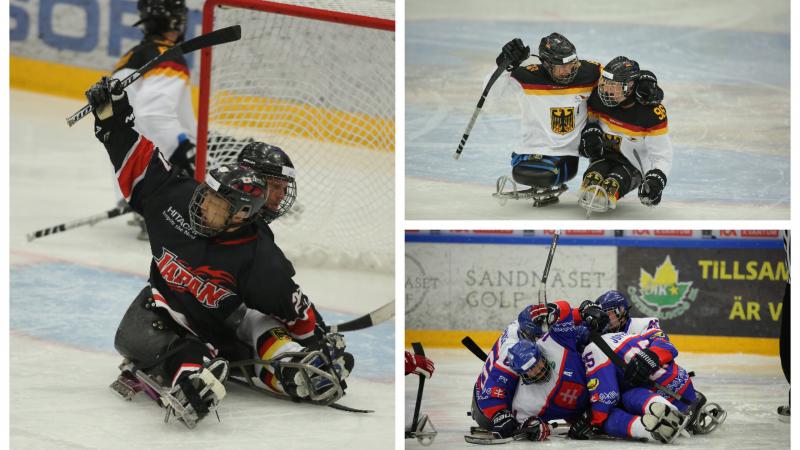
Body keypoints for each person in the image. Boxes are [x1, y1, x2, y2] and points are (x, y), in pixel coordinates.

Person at [86, 77, 352, 429]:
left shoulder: (260, 258)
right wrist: (112, 117)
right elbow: (134, 155)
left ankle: (289, 367)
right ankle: (195, 372)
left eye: (217, 202)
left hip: (226, 324)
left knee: (262, 331)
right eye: (208, 193)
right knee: (145, 339)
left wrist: (322, 344)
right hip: (167, 311)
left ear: (242, 212)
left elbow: (291, 306)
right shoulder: (174, 197)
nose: (203, 203)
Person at [489, 34, 663, 207]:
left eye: (572, 63)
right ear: (547, 64)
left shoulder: (590, 72)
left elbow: (619, 76)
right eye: (561, 66)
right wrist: (504, 65)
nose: (569, 70)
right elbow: (491, 94)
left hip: (568, 152)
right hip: (528, 150)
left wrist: (645, 79)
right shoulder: (526, 75)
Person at [111, 0, 195, 239]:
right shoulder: (166, 54)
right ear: (176, 21)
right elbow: (154, 116)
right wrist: (185, 155)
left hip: (133, 179)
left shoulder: (131, 57)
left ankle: (148, 208)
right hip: (159, 174)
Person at [470, 300, 606, 441]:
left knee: (581, 335)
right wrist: (501, 415)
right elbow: (488, 396)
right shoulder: (511, 353)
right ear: (525, 336)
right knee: (506, 424)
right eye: (538, 337)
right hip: (485, 405)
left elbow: (561, 315)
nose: (544, 339)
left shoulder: (528, 324)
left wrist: (581, 313)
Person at [576, 331, 726, 443]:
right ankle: (670, 410)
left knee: (620, 403)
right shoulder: (628, 331)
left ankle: (654, 427)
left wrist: (593, 421)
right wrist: (651, 357)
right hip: (684, 385)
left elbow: (608, 396)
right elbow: (668, 345)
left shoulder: (592, 350)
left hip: (662, 392)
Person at [577, 56, 673, 214]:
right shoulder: (597, 97)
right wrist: (591, 131)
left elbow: (662, 155)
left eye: (613, 85)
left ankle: (613, 187)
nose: (606, 90)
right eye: (605, 83)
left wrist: (656, 179)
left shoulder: (650, 113)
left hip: (632, 166)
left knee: (612, 184)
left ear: (629, 87)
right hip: (604, 157)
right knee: (593, 177)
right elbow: (591, 120)